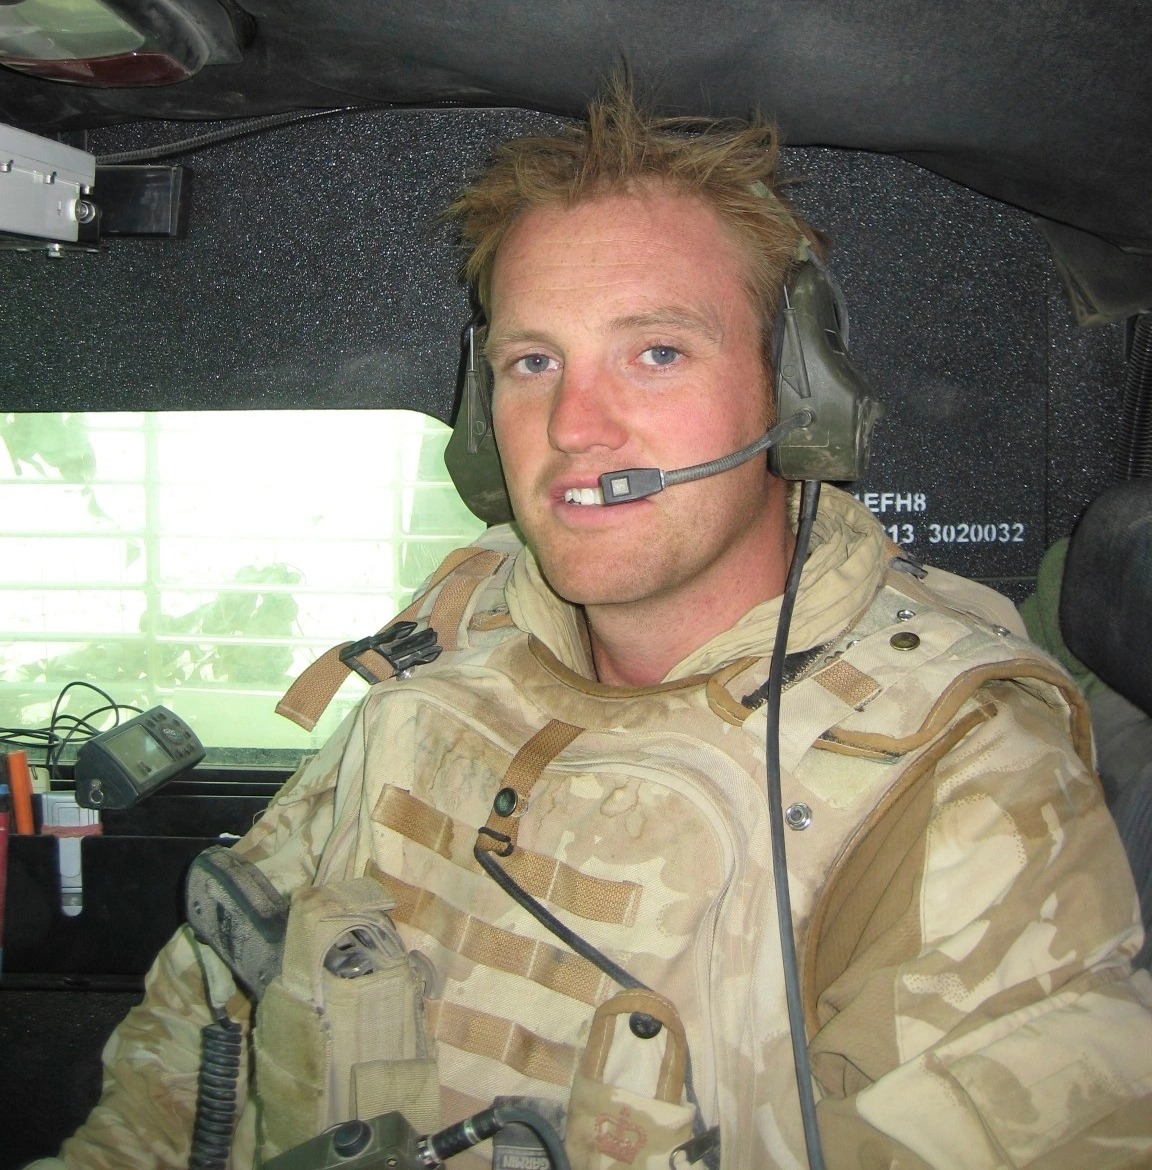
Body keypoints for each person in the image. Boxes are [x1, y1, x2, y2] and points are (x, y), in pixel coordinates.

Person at [32, 79, 1152, 1170]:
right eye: (533, 363)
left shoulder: (957, 782)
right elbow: (189, 1048)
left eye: (657, 353)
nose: (575, 427)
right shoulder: (456, 635)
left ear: (794, 395)